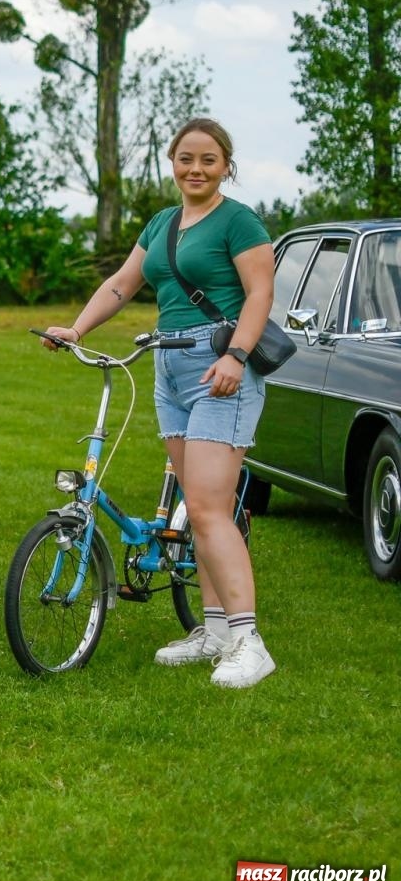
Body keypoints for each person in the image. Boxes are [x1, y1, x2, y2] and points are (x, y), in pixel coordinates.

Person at [43, 117, 277, 688]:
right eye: (186, 159)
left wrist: (237, 356)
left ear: (226, 166)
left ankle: (249, 642)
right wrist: (78, 329)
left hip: (220, 365)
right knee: (197, 504)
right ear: (172, 163)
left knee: (207, 508)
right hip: (167, 364)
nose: (195, 169)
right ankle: (215, 632)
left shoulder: (238, 220)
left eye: (208, 160)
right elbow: (124, 284)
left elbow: (260, 293)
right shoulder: (162, 222)